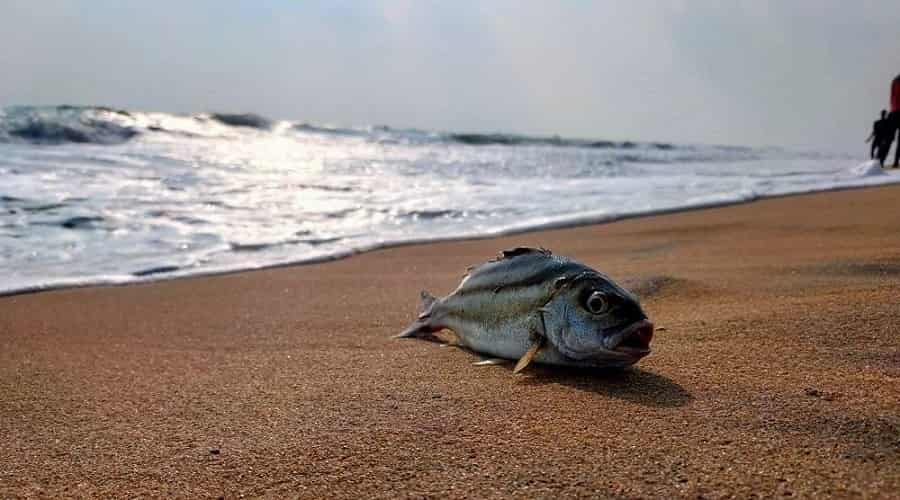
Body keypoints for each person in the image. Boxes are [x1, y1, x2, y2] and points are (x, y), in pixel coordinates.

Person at [888, 74, 900, 167]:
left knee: (888, 139)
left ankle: (878, 161)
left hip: (893, 112)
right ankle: (896, 162)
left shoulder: (894, 80)